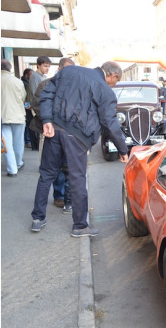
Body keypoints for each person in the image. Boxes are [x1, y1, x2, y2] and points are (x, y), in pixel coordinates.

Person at [32, 61, 129, 237]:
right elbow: (110, 123)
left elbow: (46, 94)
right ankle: (80, 225)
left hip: (54, 129)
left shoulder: (68, 71)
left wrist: (47, 119)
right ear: (112, 75)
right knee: (77, 179)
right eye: (116, 81)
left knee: (46, 173)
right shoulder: (105, 90)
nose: (114, 85)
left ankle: (37, 218)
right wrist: (123, 149)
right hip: (77, 137)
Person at [30, 57, 76, 212]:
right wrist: (48, 122)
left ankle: (66, 199)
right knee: (52, 168)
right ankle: (59, 196)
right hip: (50, 132)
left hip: (68, 134)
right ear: (60, 69)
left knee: (67, 168)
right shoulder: (45, 83)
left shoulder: (75, 86)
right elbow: (36, 104)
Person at [1, 59, 27, 178]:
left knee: (6, 143)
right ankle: (18, 163)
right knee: (18, 142)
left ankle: (12, 169)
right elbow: (23, 97)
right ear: (10, 68)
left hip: (3, 116)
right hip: (17, 115)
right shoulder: (17, 81)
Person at [28, 56, 52, 152]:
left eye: (49, 66)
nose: (47, 68)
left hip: (43, 107)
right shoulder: (35, 76)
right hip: (38, 108)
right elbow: (35, 95)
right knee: (41, 135)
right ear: (38, 65)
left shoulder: (43, 77)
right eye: (45, 66)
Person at [21, 68, 34, 148]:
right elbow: (25, 97)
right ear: (26, 75)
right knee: (27, 125)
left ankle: (27, 140)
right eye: (31, 74)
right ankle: (27, 141)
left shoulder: (26, 82)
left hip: (26, 107)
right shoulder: (25, 84)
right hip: (26, 107)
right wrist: (27, 106)